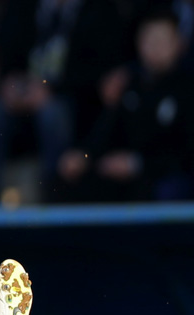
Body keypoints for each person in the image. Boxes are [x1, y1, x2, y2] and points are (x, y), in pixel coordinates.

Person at [0, 0, 132, 201]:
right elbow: (5, 55)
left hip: (72, 105)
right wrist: (10, 86)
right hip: (23, 101)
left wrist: (51, 90)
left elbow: (99, 74)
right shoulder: (22, 7)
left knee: (52, 113)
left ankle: (55, 194)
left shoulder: (100, 10)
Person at [57, 7, 194, 202]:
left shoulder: (187, 89)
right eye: (148, 40)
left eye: (162, 40)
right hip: (123, 173)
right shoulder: (130, 85)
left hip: (163, 174)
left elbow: (184, 153)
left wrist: (137, 164)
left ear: (179, 44)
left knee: (165, 190)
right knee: (74, 179)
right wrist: (83, 155)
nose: (154, 47)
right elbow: (105, 132)